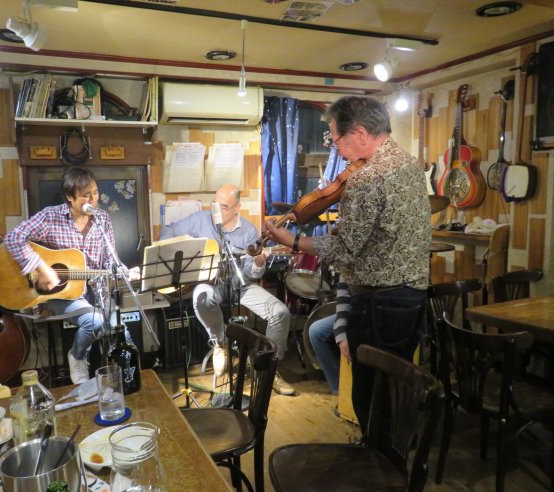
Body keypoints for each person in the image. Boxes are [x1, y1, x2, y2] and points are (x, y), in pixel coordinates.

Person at [265, 96, 431, 427]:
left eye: (336, 139)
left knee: (370, 394)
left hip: (377, 302)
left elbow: (344, 250)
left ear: (359, 133)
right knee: (396, 385)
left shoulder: (367, 178)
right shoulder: (411, 165)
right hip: (412, 297)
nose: (336, 149)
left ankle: (376, 453)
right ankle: (396, 450)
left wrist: (292, 241)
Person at [160, 184, 295, 396]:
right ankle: (220, 342)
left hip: (241, 285)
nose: (216, 210)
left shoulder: (249, 231)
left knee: (280, 313)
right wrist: (186, 248)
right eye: (215, 204)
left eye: (223, 207)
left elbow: (251, 273)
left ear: (237, 208)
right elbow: (168, 230)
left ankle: (269, 369)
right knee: (201, 297)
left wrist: (258, 263)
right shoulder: (200, 219)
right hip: (211, 284)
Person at [5, 166, 131, 385]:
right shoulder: (51, 217)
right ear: (69, 197)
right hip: (60, 294)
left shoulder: (102, 219)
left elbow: (110, 260)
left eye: (95, 193)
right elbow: (13, 238)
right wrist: (42, 268)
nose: (93, 199)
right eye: (85, 195)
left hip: (97, 292)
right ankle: (77, 356)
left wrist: (124, 272)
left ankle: (126, 380)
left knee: (123, 332)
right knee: (96, 322)